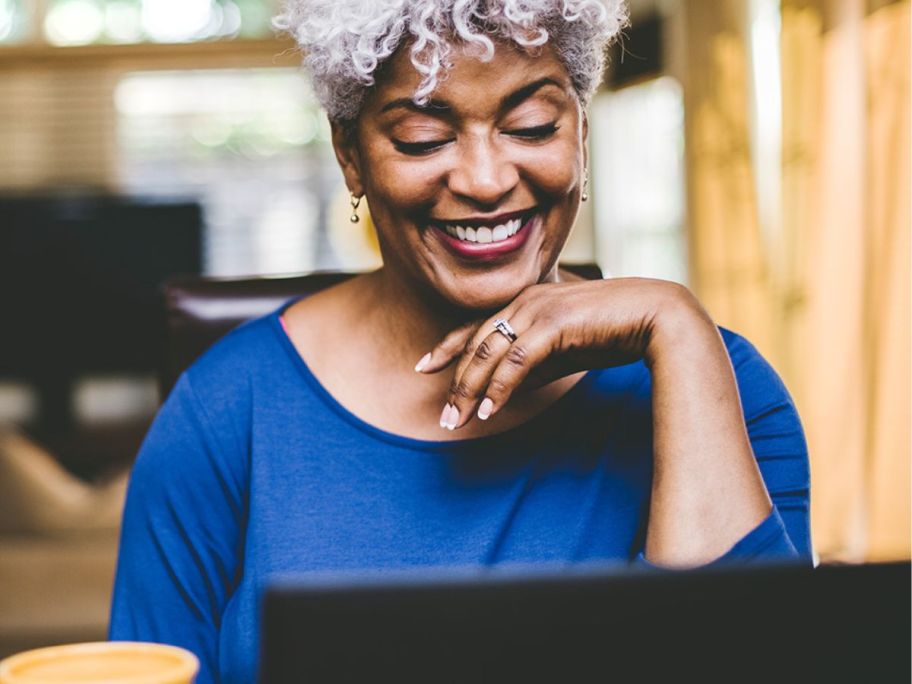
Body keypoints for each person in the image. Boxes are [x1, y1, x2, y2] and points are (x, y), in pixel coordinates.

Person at [109, 1, 812, 682]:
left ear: (582, 135)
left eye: (533, 126)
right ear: (350, 155)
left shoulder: (721, 385)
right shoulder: (226, 413)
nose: (486, 180)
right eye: (423, 137)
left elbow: (751, 663)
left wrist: (678, 327)